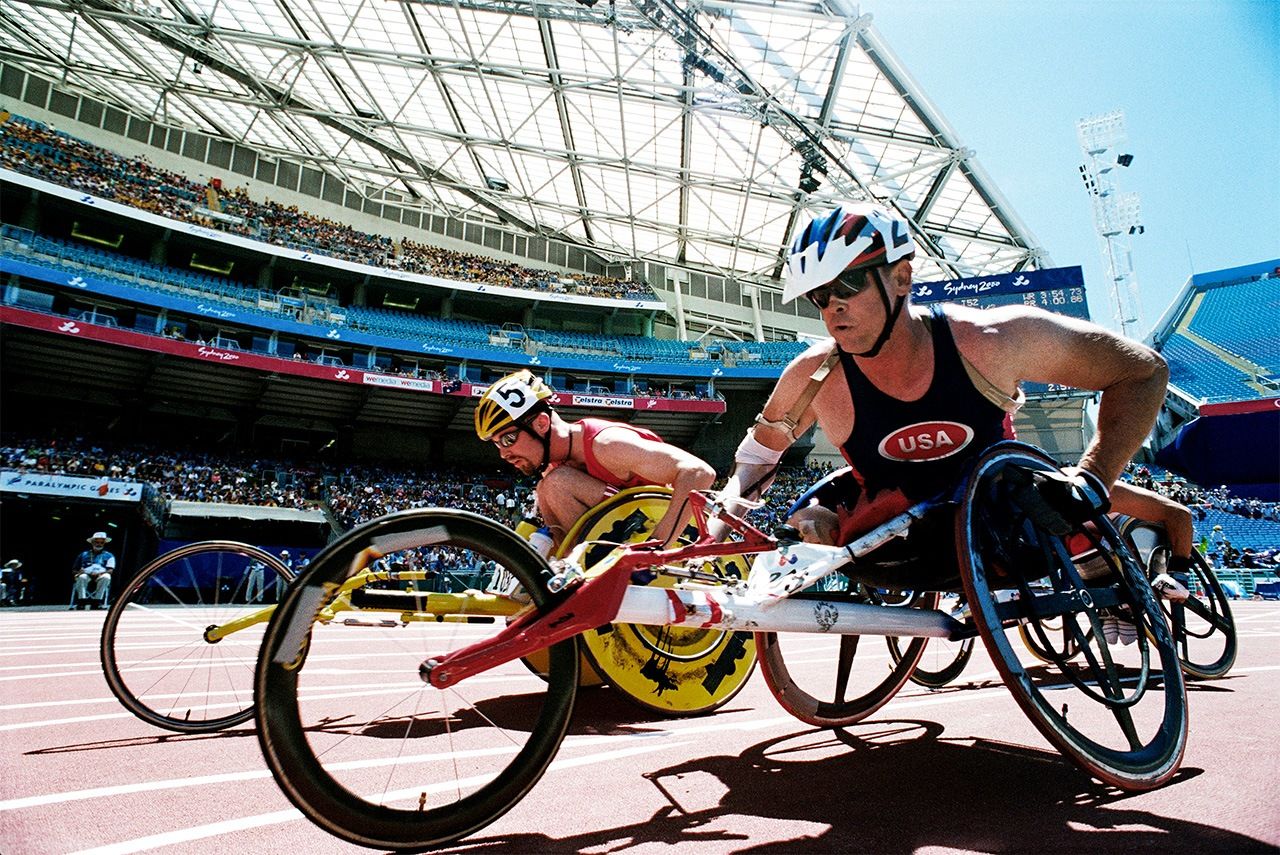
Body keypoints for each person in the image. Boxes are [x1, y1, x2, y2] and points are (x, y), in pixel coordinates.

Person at [718, 202, 1170, 587]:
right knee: (804, 523)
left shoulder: (995, 339)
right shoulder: (811, 376)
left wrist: (1094, 478)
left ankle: (1120, 551)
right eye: (818, 295)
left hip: (1003, 526)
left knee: (1056, 500)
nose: (833, 306)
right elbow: (757, 460)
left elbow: (1143, 372)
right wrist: (715, 531)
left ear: (901, 278)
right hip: (894, 539)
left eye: (848, 285)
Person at [474, 369, 716, 551]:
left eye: (508, 439)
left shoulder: (607, 444)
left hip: (677, 538)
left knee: (557, 484)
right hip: (631, 532)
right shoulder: (552, 469)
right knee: (545, 488)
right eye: (497, 444)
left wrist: (656, 547)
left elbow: (699, 473)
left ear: (541, 424)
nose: (503, 454)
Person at [71, 531, 115, 609]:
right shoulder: (83, 554)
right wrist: (79, 572)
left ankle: (97, 602)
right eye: (97, 542)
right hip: (86, 575)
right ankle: (82, 601)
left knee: (106, 577)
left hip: (100, 575)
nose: (99, 544)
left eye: (101, 542)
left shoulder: (109, 555)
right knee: (81, 577)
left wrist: (100, 573)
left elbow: (110, 570)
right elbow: (74, 570)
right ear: (92, 543)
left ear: (104, 543)